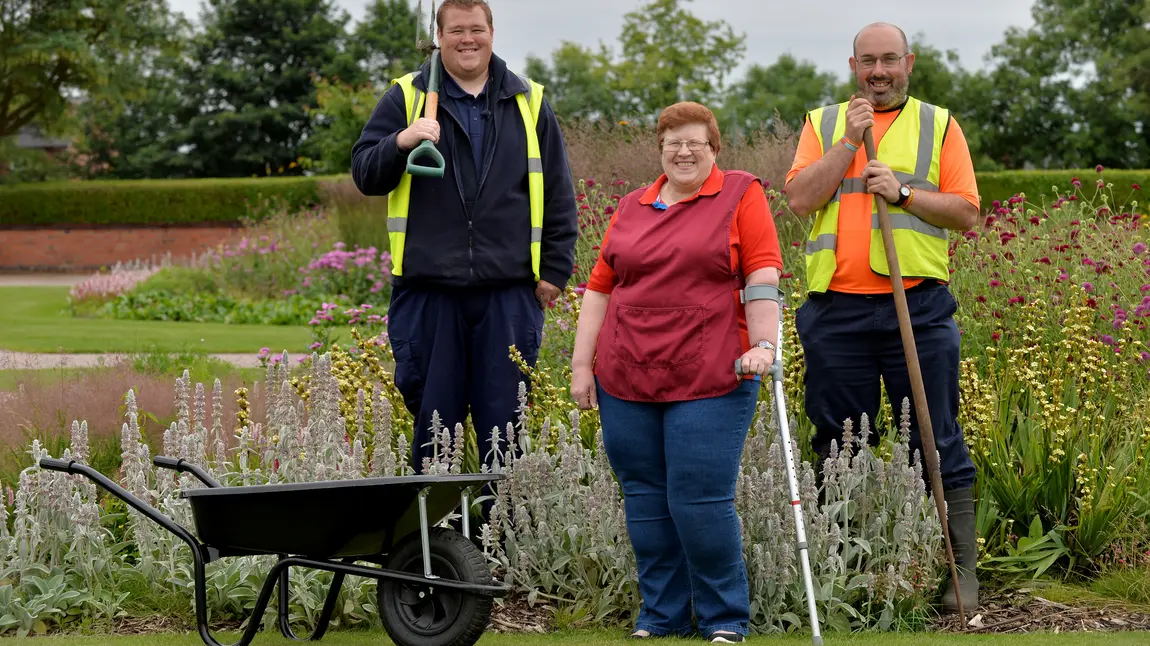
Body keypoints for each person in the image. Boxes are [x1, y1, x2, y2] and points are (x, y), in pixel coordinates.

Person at [784, 22, 981, 613]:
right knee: (838, 444)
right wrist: (848, 143)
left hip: (916, 307)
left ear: (908, 62)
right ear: (852, 66)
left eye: (889, 60)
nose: (878, 71)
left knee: (935, 437)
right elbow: (798, 200)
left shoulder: (939, 124)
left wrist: (900, 193)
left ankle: (960, 574)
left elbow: (966, 213)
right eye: (868, 61)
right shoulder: (822, 125)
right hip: (835, 311)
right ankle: (846, 570)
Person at [569, 101, 784, 644]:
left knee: (698, 498)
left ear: (715, 148)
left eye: (695, 143)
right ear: (659, 150)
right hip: (626, 372)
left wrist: (764, 343)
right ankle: (660, 617)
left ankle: (724, 618)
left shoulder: (740, 193)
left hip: (712, 371)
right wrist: (581, 366)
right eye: (672, 143)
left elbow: (761, 273)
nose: (683, 152)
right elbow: (600, 288)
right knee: (643, 497)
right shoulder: (631, 206)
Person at [350, 0, 578, 477]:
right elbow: (365, 174)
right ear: (440, 36)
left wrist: (555, 271)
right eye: (456, 30)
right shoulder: (406, 97)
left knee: (506, 435)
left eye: (476, 29)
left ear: (492, 33)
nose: (467, 39)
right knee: (436, 436)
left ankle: (503, 547)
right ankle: (435, 546)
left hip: (509, 294)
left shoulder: (528, 101)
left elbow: (558, 190)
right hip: (430, 294)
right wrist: (402, 140)